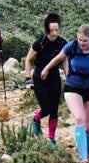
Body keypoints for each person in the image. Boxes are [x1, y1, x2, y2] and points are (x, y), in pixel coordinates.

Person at [39, 23, 89, 163]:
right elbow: (58, 58)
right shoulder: (71, 46)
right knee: (79, 118)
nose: (82, 43)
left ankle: (88, 154)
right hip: (73, 86)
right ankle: (84, 160)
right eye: (79, 40)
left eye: (85, 41)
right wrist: (46, 68)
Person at [26, 13, 65, 142]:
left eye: (56, 30)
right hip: (40, 78)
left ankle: (52, 139)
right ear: (47, 29)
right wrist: (27, 79)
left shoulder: (62, 43)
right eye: (51, 30)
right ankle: (36, 119)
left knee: (54, 110)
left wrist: (68, 76)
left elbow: (65, 60)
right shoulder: (40, 43)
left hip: (54, 77)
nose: (54, 33)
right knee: (46, 109)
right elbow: (28, 59)